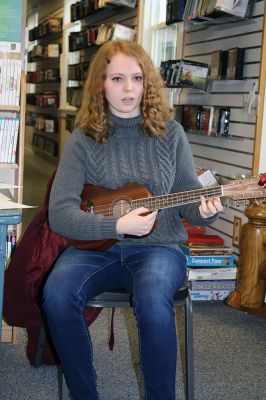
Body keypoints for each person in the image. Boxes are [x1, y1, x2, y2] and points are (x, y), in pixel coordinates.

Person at [43, 40, 223, 400]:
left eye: (137, 78)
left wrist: (204, 210)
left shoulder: (171, 134)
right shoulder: (83, 140)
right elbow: (59, 214)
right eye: (117, 78)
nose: (128, 89)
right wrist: (115, 226)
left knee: (154, 299)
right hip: (96, 248)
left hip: (160, 248)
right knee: (57, 295)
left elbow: (188, 197)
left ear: (148, 83)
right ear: (100, 84)